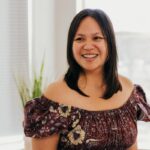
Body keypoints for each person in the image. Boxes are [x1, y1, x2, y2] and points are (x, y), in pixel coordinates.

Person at [23, 9, 150, 150]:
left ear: (109, 43)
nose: (88, 46)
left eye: (97, 38)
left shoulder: (128, 89)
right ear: (71, 45)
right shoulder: (56, 95)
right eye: (79, 39)